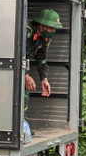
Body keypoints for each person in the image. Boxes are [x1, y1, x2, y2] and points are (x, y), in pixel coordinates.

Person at [23, 9, 63, 140]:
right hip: (8, 67)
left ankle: (22, 126)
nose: (53, 32)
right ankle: (18, 127)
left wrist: (44, 79)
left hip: (21, 68)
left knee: (24, 92)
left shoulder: (45, 38)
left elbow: (41, 59)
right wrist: (25, 76)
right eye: (51, 28)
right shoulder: (25, 31)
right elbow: (12, 53)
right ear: (42, 25)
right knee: (23, 92)